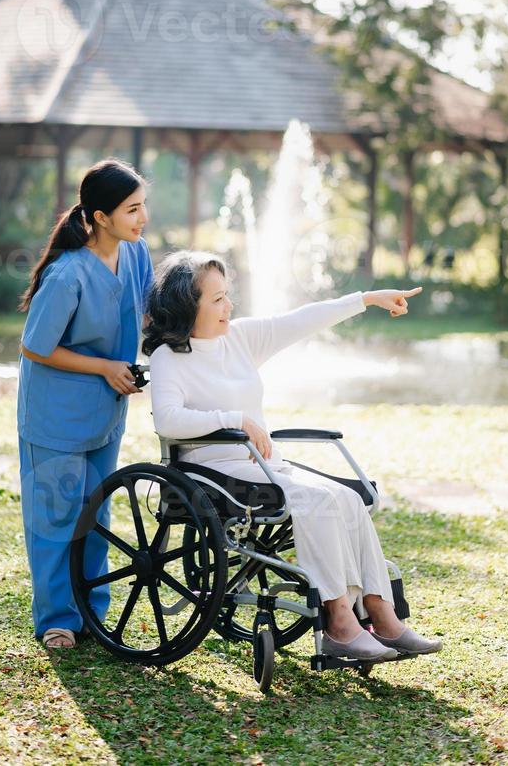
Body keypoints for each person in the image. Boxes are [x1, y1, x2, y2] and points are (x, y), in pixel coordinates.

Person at [145, 251, 442, 663]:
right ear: (185, 305)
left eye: (227, 296)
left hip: (263, 466)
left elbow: (304, 318)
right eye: (216, 300)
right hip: (211, 469)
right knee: (317, 501)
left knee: (348, 498)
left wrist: (368, 299)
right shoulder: (168, 357)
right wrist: (236, 419)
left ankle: (382, 614)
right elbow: (168, 420)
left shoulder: (240, 339)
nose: (228, 306)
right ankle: (340, 623)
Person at [17, 159, 153, 650]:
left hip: (105, 412)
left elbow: (149, 313)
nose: (142, 219)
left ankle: (92, 611)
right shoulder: (67, 273)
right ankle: (57, 619)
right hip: (55, 413)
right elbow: (35, 345)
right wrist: (103, 368)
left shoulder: (136, 256)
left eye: (143, 207)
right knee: (55, 518)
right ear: (99, 216)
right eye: (132, 210)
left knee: (96, 517)